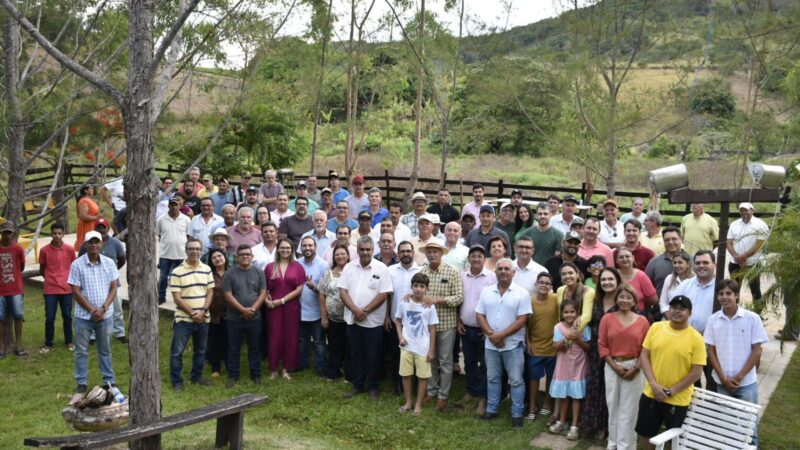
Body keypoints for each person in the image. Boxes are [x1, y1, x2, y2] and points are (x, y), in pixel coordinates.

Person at [636, 295, 705, 450]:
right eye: (674, 308)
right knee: (646, 434)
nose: (677, 311)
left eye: (682, 309)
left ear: (690, 313)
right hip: (651, 393)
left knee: (672, 440)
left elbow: (696, 373)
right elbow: (644, 355)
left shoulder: (696, 338)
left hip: (677, 399)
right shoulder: (656, 328)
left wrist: (671, 391)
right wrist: (653, 385)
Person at [705, 279, 768, 447]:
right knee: (726, 425)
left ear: (737, 295)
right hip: (722, 382)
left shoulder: (752, 318)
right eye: (721, 294)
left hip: (747, 382)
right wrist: (723, 378)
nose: (725, 297)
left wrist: (739, 377)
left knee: (749, 426)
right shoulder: (713, 320)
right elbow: (711, 351)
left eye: (728, 293)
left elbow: (757, 350)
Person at [476, 258, 532, 428]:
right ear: (495, 271)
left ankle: (517, 413)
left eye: (507, 269)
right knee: (492, 378)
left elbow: (522, 319)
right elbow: (479, 315)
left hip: (513, 345)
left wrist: (501, 336)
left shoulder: (522, 293)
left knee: (515, 380)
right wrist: (492, 335)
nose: (503, 271)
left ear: (513, 272)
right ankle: (492, 409)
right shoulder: (486, 291)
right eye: (500, 268)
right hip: (491, 344)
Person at [339, 237, 393, 400]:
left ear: (373, 250)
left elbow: (384, 294)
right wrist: (356, 311)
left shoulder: (382, 268)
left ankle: (373, 387)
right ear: (357, 250)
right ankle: (358, 385)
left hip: (373, 321)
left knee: (373, 355)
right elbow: (343, 292)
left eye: (368, 249)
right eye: (362, 249)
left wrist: (366, 311)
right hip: (353, 319)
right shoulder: (349, 267)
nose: (365, 252)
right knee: (355, 354)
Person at [599, 284, 650, 450]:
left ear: (635, 300)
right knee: (613, 406)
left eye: (628, 297)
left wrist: (635, 368)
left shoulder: (642, 321)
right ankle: (613, 444)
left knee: (630, 409)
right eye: (621, 297)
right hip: (613, 365)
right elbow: (602, 345)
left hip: (635, 366)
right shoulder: (607, 318)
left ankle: (626, 446)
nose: (624, 300)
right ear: (616, 299)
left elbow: (646, 348)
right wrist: (615, 367)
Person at [68, 231, 119, 393]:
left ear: (102, 244)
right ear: (85, 245)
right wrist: (92, 310)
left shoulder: (109, 263)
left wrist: (103, 309)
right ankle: (81, 382)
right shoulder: (77, 264)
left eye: (97, 242)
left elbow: (113, 287)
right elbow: (75, 291)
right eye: (91, 242)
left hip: (106, 314)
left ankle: (109, 381)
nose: (94, 245)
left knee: (105, 349)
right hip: (84, 316)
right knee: (81, 351)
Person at [418, 241, 464, 411]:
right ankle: (431, 390)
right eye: (429, 252)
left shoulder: (452, 272)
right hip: (427, 325)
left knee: (445, 361)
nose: (431, 254)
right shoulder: (422, 272)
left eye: (435, 252)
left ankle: (443, 396)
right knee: (431, 358)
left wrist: (438, 300)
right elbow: (417, 292)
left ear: (441, 253)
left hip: (446, 323)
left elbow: (459, 297)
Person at [580, 267, 623, 439]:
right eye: (603, 279)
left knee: (611, 390)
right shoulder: (596, 300)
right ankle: (593, 424)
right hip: (595, 351)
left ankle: (608, 426)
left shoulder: (623, 300)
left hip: (615, 351)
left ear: (617, 281)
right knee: (595, 387)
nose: (606, 282)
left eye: (610, 279)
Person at [168, 238, 215, 390]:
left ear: (201, 251)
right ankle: (177, 381)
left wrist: (204, 311)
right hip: (183, 319)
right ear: (186, 250)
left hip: (204, 318)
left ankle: (196, 377)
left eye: (197, 249)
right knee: (177, 352)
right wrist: (194, 313)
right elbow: (176, 298)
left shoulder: (207, 269)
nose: (194, 251)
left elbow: (210, 292)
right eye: (191, 249)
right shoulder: (177, 271)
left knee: (200, 351)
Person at [457, 244, 496, 414]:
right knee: (469, 362)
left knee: (485, 364)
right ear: (468, 259)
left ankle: (483, 397)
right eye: (473, 256)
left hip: (483, 330)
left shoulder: (491, 277)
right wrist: (458, 320)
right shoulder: (461, 276)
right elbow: (459, 299)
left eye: (480, 256)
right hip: (465, 328)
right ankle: (471, 391)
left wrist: (488, 327)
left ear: (484, 259)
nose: (476, 259)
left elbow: (495, 303)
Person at [223, 244, 267, 387]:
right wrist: (242, 310)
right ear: (237, 257)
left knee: (254, 347)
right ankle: (233, 376)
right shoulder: (229, 274)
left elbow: (262, 293)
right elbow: (228, 295)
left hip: (255, 318)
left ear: (252, 257)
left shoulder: (259, 272)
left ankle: (256, 375)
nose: (245, 256)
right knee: (233, 348)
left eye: (248, 254)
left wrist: (252, 309)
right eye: (242, 254)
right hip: (234, 319)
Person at [395, 273, 439, 415]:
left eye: (422, 286)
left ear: (426, 288)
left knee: (422, 376)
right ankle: (408, 402)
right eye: (416, 286)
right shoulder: (404, 302)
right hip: (406, 346)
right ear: (411, 287)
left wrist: (431, 350)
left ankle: (418, 404)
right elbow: (398, 320)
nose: (418, 289)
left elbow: (432, 328)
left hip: (422, 348)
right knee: (406, 375)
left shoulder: (429, 306)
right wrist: (400, 337)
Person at [548, 299, 591, 441]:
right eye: (566, 312)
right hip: (563, 364)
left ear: (577, 313)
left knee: (577, 395)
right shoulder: (558, 327)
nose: (569, 314)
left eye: (572, 311)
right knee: (564, 394)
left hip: (579, 364)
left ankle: (574, 426)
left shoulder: (584, 326)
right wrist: (567, 339)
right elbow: (556, 347)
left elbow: (589, 348)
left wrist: (578, 339)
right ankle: (561, 421)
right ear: (562, 313)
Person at [79, 219, 127, 343]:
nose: (101, 229)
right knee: (94, 307)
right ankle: (93, 335)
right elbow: (81, 260)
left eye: (103, 227)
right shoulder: (87, 245)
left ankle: (119, 332)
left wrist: (113, 272)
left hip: (113, 283)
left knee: (117, 309)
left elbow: (121, 260)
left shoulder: (115, 243)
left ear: (107, 228)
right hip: (94, 283)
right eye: (99, 227)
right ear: (95, 229)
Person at [264, 238, 306, 380]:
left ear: (292, 250)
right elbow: (264, 288)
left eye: (288, 248)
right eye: (282, 248)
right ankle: (273, 369)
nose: (285, 250)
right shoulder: (270, 267)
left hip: (290, 306)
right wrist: (267, 300)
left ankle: (287, 369)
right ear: (278, 249)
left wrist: (281, 301)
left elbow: (299, 289)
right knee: (275, 336)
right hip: (273, 307)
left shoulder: (298, 267)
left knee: (291, 337)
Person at [387, 241, 421, 394]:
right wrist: (387, 316)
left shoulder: (421, 271)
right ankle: (397, 384)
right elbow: (387, 296)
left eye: (408, 251)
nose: (405, 254)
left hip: (416, 322)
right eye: (402, 251)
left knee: (415, 354)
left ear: (413, 253)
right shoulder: (390, 271)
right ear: (398, 254)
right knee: (396, 354)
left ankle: (413, 386)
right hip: (396, 321)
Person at [525, 272, 559, 421]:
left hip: (552, 347)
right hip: (536, 346)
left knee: (551, 377)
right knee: (534, 378)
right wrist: (528, 343)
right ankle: (532, 405)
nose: (544, 285)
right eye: (541, 282)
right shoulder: (529, 301)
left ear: (551, 287)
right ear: (536, 284)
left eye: (547, 283)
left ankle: (547, 402)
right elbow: (525, 325)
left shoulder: (556, 299)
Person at [39, 223, 76, 353]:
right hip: (50, 289)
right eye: (54, 233)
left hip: (66, 288)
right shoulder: (44, 250)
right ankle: (48, 343)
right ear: (51, 234)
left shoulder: (70, 250)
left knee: (67, 316)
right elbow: (42, 268)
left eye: (59, 233)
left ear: (63, 234)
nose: (57, 236)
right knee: (49, 317)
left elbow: (73, 268)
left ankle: (69, 341)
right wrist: (50, 279)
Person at [318, 243, 352, 381]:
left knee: (350, 347)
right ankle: (333, 372)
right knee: (334, 345)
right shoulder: (329, 274)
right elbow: (321, 294)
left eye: (343, 254)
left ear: (348, 256)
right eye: (337, 254)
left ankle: (349, 374)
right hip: (333, 318)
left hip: (350, 317)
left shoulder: (353, 272)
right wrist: (324, 316)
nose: (340, 256)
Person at [297, 237, 329, 376]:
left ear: (315, 247)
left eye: (310, 245)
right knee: (302, 341)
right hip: (300, 310)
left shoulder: (323, 265)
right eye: (304, 246)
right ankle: (303, 365)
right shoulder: (297, 264)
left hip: (317, 311)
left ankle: (321, 368)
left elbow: (325, 290)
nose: (307, 248)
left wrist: (314, 287)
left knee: (319, 342)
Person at [727, 202, 769, 302]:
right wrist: (736, 256)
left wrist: (744, 256)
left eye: (746, 210)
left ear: (752, 210)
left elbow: (760, 244)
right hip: (735, 261)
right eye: (741, 210)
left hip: (752, 263)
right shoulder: (734, 224)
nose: (743, 212)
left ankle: (758, 313)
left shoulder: (760, 224)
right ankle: (734, 311)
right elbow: (728, 242)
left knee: (755, 289)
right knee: (734, 289)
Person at [0, 221, 27, 358]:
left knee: (18, 315)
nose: (7, 235)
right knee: (0, 318)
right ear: (1, 233)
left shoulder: (18, 249)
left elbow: (21, 266)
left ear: (13, 233)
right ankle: (2, 346)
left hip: (15, 288)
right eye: (5, 232)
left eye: (9, 232)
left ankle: (18, 344)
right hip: (1, 290)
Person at [156, 198, 191, 304]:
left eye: (176, 204)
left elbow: (189, 235)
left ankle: (182, 298)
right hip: (165, 253)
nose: (174, 206)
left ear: (180, 206)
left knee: (182, 277)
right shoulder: (161, 219)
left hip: (182, 254)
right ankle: (161, 296)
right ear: (168, 206)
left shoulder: (186, 219)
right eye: (172, 204)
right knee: (163, 277)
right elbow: (159, 234)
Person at [206, 248, 229, 378]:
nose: (217, 259)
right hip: (214, 313)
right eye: (214, 257)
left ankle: (229, 365)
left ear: (224, 257)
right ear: (211, 261)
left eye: (219, 256)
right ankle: (215, 368)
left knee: (229, 340)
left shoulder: (232, 272)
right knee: (214, 341)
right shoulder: (208, 274)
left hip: (230, 313)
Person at [614, 247, 657, 316]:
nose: (624, 259)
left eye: (627, 256)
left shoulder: (641, 276)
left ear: (633, 258)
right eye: (621, 257)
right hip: (616, 314)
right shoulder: (613, 275)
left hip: (638, 315)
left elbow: (653, 299)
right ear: (616, 260)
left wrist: (640, 304)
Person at [644, 226, 684, 297]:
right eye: (667, 240)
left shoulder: (693, 261)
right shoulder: (654, 263)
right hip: (661, 306)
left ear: (681, 239)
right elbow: (646, 287)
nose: (670, 242)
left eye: (674, 239)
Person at [556, 262, 595, 333]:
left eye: (570, 273)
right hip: (563, 333)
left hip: (583, 333)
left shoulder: (588, 291)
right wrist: (561, 332)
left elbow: (586, 317)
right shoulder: (560, 290)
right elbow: (560, 315)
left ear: (577, 274)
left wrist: (569, 336)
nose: (567, 276)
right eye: (563, 274)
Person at [657, 250, 692, 320]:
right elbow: (663, 302)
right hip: (669, 318)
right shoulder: (669, 279)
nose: (676, 265)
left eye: (680, 262)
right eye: (675, 263)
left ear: (688, 264)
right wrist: (670, 317)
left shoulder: (693, 280)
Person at [75, 185, 103, 250]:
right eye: (91, 188)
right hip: (87, 226)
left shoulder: (89, 200)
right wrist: (96, 217)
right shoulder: (84, 201)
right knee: (87, 243)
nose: (93, 190)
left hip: (92, 225)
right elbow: (82, 216)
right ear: (85, 190)